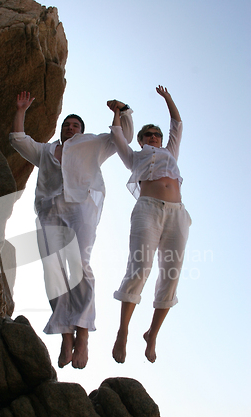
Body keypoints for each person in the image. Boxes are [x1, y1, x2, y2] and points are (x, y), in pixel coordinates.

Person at [10, 92, 133, 369]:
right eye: (66, 125)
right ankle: (66, 335)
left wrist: (122, 111)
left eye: (75, 125)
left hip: (81, 206)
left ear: (82, 131)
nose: (70, 128)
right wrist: (21, 111)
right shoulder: (45, 151)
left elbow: (123, 134)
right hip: (50, 209)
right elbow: (17, 140)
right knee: (52, 268)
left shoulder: (93, 144)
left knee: (80, 265)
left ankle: (83, 332)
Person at [108, 85, 191, 363]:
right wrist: (118, 113)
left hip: (177, 214)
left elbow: (177, 124)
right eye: (148, 135)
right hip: (148, 210)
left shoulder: (170, 152)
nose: (154, 137)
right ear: (142, 140)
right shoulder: (134, 156)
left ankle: (152, 334)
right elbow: (117, 136)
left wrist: (168, 98)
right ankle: (123, 331)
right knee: (139, 268)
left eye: (156, 134)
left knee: (171, 275)